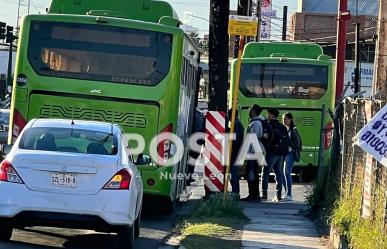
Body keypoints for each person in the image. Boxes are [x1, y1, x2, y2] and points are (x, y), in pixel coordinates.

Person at [261, 108, 290, 202]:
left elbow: (266, 137)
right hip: (281, 153)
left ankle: (264, 193)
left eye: (268, 114)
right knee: (278, 174)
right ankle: (278, 195)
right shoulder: (282, 126)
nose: (267, 116)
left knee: (265, 172)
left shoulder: (269, 125)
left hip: (271, 152)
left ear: (272, 115)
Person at [241, 104, 266, 202]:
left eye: (250, 110)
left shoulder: (256, 124)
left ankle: (253, 195)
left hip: (253, 153)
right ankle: (254, 195)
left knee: (251, 174)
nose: (249, 111)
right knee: (253, 173)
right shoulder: (257, 122)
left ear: (254, 111)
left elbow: (253, 140)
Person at [281, 113, 302, 201]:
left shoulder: (294, 130)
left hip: (291, 154)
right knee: (282, 173)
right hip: (285, 153)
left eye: (286, 119)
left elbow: (298, 144)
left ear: (291, 119)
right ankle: (286, 192)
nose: (284, 121)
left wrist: (288, 142)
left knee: (286, 172)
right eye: (283, 119)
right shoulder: (286, 129)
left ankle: (289, 194)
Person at [226, 108, 244, 195]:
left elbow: (235, 139)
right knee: (232, 172)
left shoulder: (236, 124)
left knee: (233, 172)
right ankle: (235, 191)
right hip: (236, 152)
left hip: (235, 152)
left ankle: (235, 191)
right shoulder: (237, 124)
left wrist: (232, 149)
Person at [187, 109, 205, 186]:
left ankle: (188, 177)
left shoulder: (191, 113)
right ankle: (189, 177)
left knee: (190, 159)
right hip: (198, 140)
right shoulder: (200, 115)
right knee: (192, 160)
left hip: (193, 139)